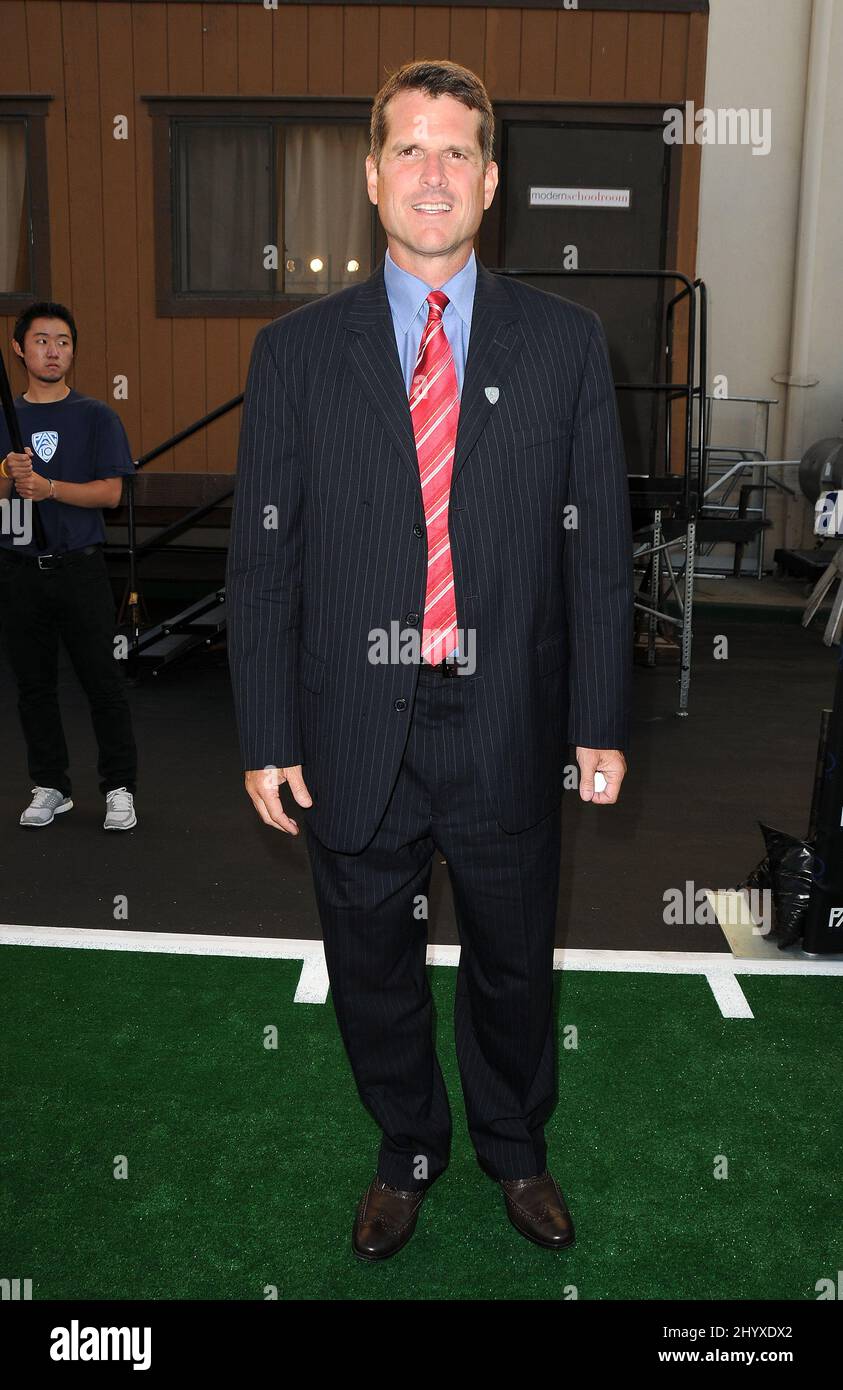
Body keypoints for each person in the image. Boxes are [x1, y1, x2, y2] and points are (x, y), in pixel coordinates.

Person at [226, 59, 633, 1260]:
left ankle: (515, 1149)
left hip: (506, 716)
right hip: (354, 724)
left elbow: (599, 557)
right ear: (370, 176)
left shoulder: (566, 346)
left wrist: (598, 718)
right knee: (373, 966)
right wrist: (264, 730)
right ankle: (406, 1150)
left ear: (493, 179)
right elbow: (264, 563)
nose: (433, 173)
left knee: (515, 965)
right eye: (409, 148)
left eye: (458, 150)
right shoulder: (294, 352)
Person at [0, 302, 138, 830]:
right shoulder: (8, 419)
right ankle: (50, 785)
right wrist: (9, 478)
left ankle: (120, 787)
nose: (52, 350)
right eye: (40, 340)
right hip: (18, 569)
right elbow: (4, 505)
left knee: (102, 682)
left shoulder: (96, 416)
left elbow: (110, 493)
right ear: (20, 349)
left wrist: (50, 487)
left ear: (73, 350)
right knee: (33, 685)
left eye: (62, 341)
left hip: (80, 570)